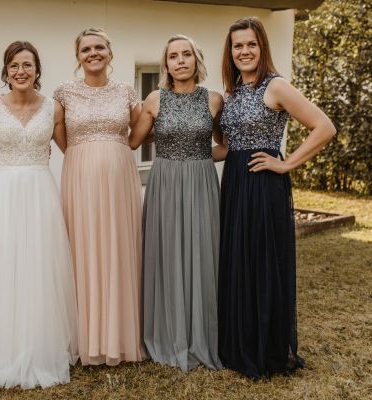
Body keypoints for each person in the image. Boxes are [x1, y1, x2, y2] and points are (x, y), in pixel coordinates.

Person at [218, 17, 336, 378]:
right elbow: (228, 147)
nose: (244, 51)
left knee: (262, 260)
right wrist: (182, 154)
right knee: (239, 258)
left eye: (251, 44)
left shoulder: (276, 85)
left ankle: (266, 349)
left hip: (264, 183)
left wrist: (286, 164)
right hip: (235, 182)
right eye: (238, 45)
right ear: (230, 52)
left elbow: (324, 127)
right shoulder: (232, 93)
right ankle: (239, 344)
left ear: (262, 47)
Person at [0, 41, 78, 389]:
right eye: (14, 65)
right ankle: (3, 346)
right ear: (6, 71)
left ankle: (40, 343)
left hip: (40, 191)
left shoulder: (54, 108)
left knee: (39, 264)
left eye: (27, 65)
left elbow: (71, 150)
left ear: (37, 71)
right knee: (4, 262)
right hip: (3, 191)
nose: (21, 71)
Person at [129, 34, 226, 371]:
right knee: (166, 251)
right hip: (165, 183)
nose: (181, 61)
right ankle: (167, 332)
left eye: (187, 54)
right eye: (174, 56)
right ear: (166, 64)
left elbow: (225, 146)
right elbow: (132, 141)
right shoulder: (154, 99)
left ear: (197, 60)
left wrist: (199, 159)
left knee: (202, 251)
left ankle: (201, 333)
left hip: (201, 181)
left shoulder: (214, 100)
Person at [54, 27, 144, 366]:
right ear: (78, 57)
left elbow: (140, 132)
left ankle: (118, 335)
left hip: (120, 179)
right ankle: (86, 336)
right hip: (80, 176)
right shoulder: (64, 93)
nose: (93, 53)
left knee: (117, 247)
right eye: (86, 49)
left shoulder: (126, 91)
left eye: (99, 47)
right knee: (83, 246)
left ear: (110, 52)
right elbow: (56, 133)